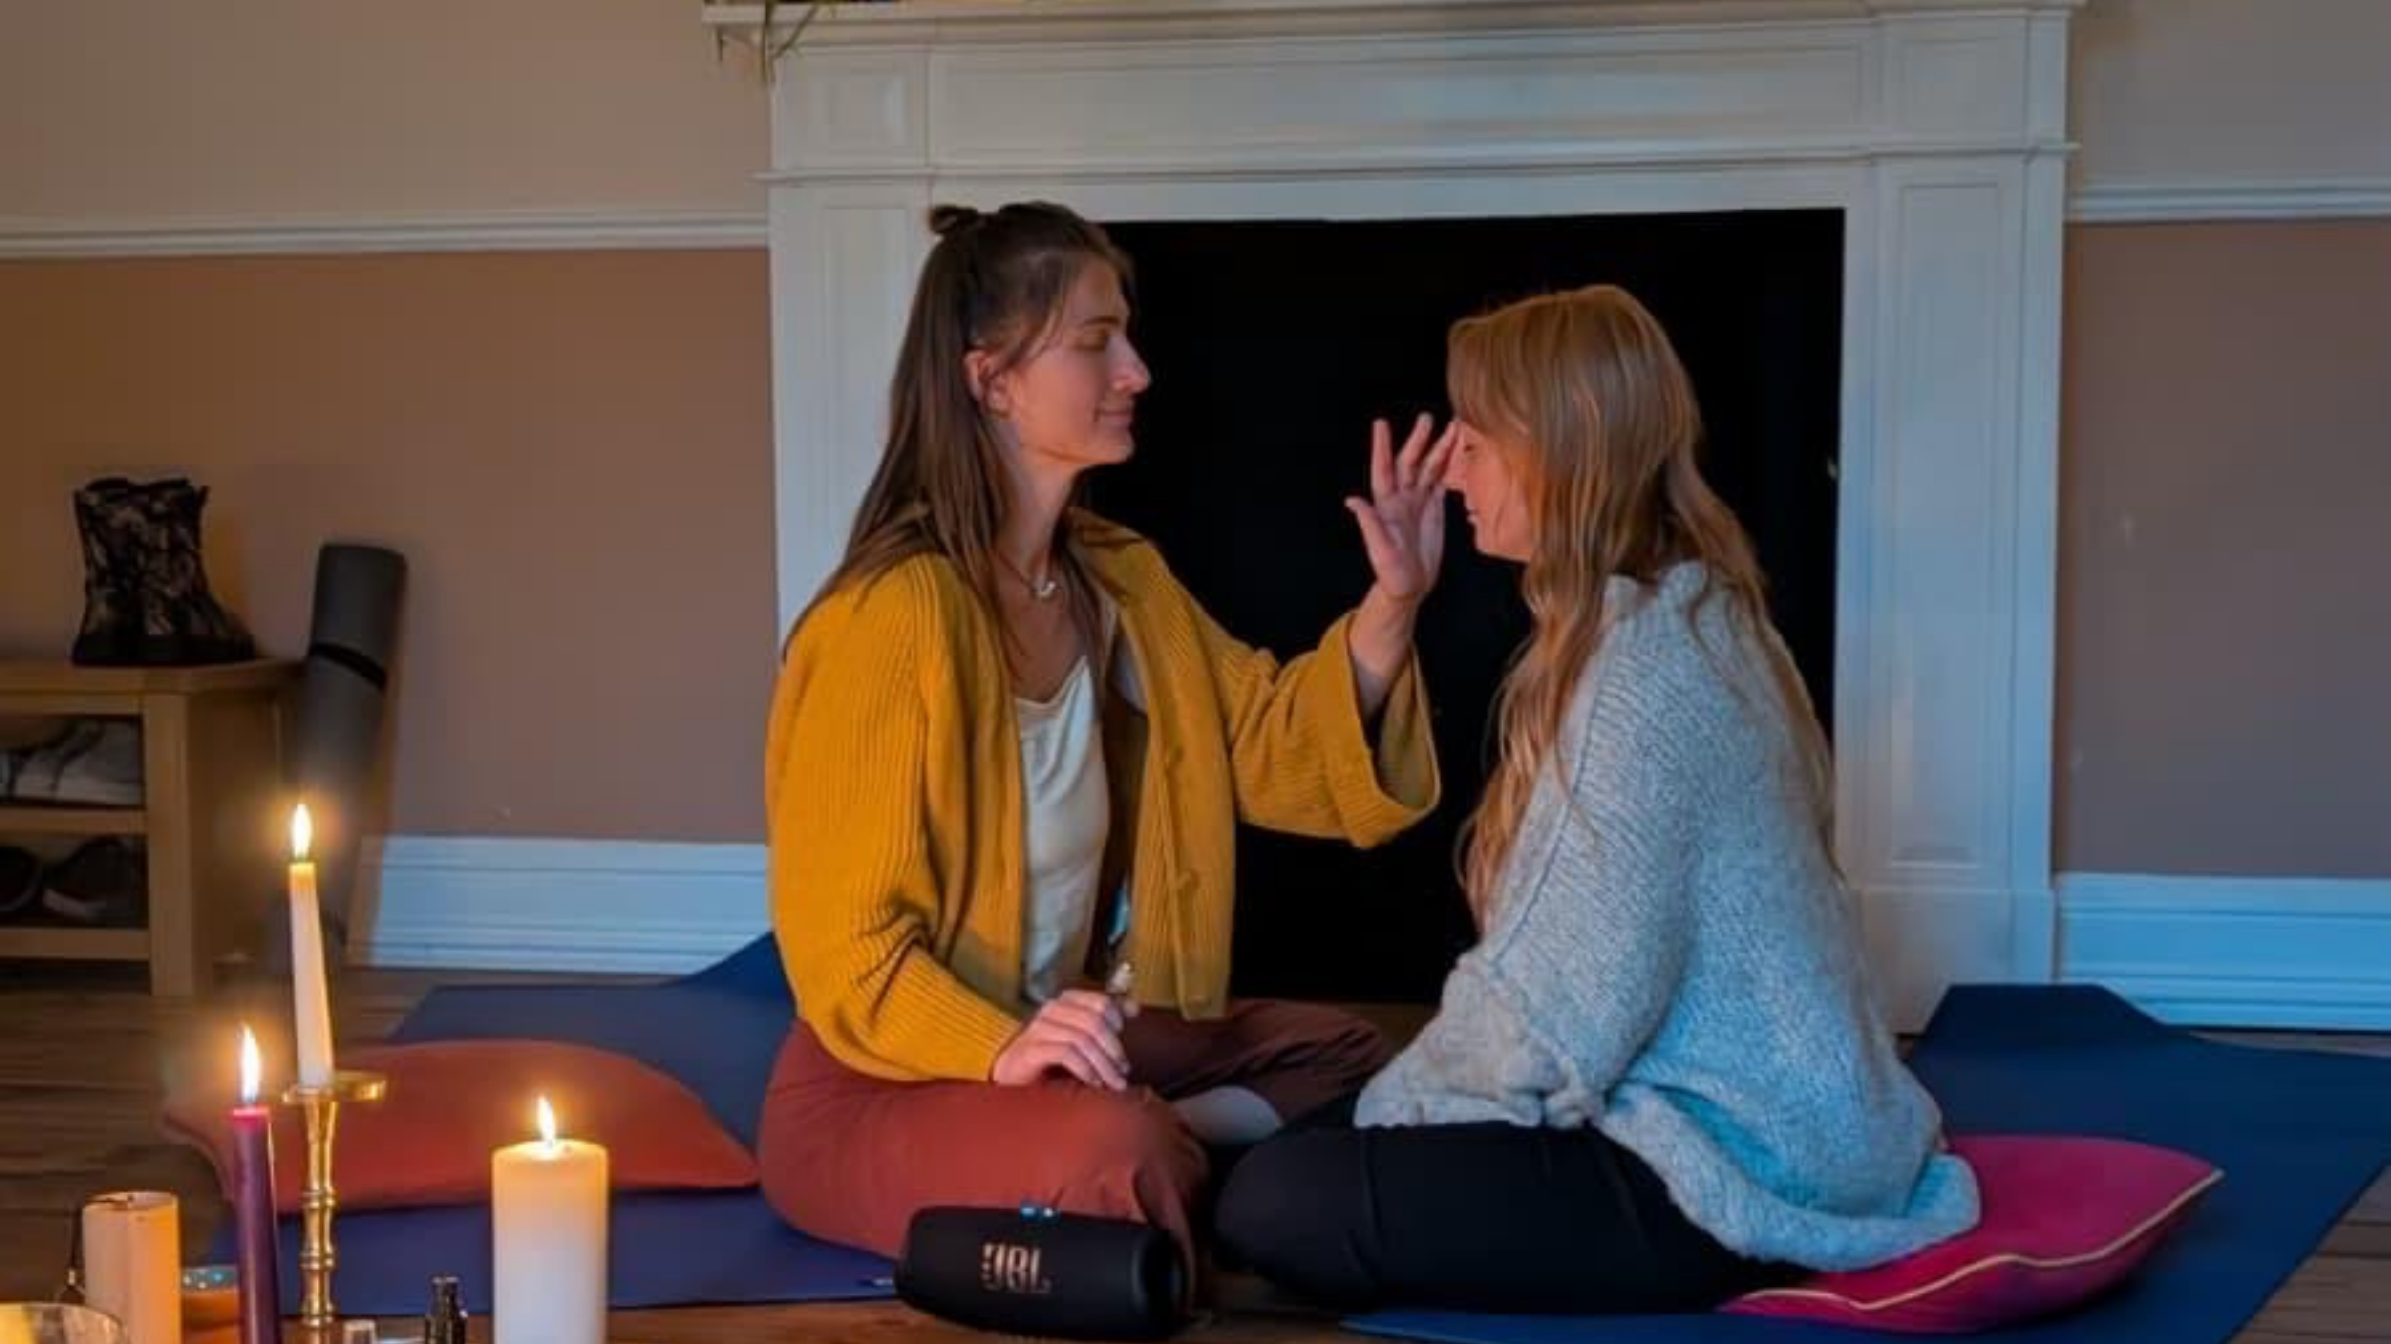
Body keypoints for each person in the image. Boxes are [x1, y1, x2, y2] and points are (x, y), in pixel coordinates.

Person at [1215, 284, 1980, 1313]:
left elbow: (1554, 1019)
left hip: (1728, 1175)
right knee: (1319, 1144)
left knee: (1276, 1197)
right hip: (1759, 1124)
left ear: (1558, 452)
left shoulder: (1644, 680)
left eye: (1478, 440)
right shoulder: (1689, 612)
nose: (1456, 470)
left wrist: (1398, 1108)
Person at [755, 201, 1452, 1269]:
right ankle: (1146, 1163)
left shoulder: (1118, 578)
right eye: (1095, 343)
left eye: (1124, 336)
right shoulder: (890, 620)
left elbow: (1270, 748)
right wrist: (1006, 1046)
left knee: (1348, 1053)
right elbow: (852, 959)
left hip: (1063, 1041)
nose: (1136, 370)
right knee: (1115, 1147)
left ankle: (1150, 1163)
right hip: (885, 1086)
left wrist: (1392, 604)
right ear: (990, 381)